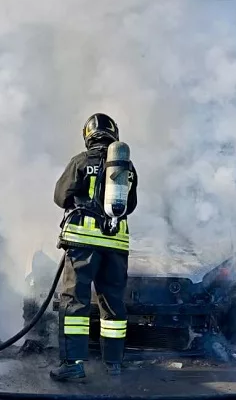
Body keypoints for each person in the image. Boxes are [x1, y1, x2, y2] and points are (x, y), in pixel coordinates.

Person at [49, 113, 138, 381]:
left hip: (83, 243)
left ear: (88, 135)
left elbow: (60, 196)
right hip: (116, 245)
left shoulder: (80, 161)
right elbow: (130, 205)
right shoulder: (127, 166)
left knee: (76, 301)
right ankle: (113, 363)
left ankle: (73, 364)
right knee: (112, 304)